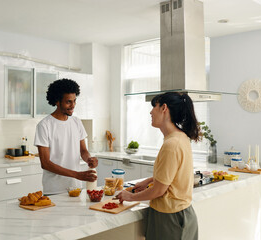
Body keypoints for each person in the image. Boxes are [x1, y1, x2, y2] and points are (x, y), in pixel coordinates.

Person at [116, 92, 200, 240]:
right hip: (181, 215)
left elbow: (159, 191)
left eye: (154, 106)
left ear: (164, 108)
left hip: (170, 218)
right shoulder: (180, 137)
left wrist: (130, 196)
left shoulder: (171, 144)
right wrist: (149, 181)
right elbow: (172, 176)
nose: (150, 111)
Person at [34, 78, 98, 195]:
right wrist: (77, 175)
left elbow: (83, 150)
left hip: (76, 188)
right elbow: (45, 163)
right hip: (54, 190)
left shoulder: (76, 122)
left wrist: (89, 159)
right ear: (57, 101)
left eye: (74, 101)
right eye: (68, 102)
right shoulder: (44, 126)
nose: (73, 105)